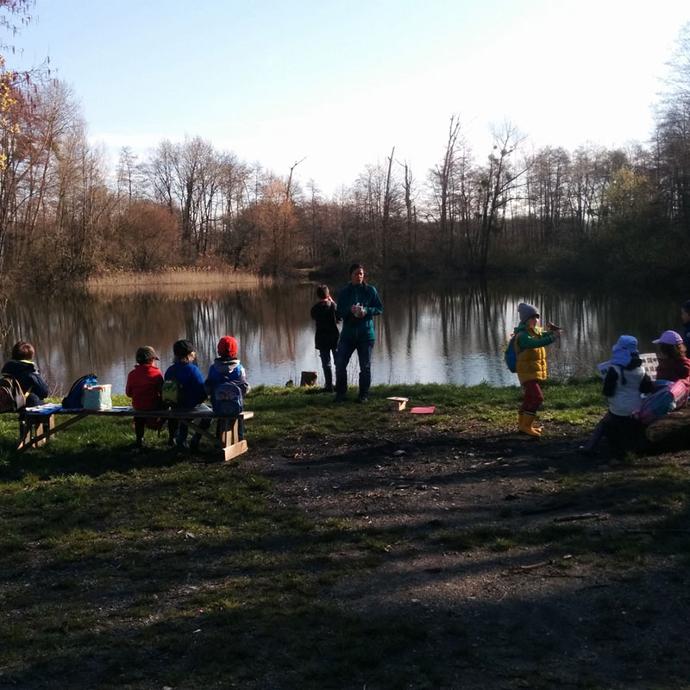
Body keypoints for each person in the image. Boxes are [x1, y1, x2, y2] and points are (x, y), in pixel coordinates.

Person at [582, 335, 654, 458]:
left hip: (617, 411)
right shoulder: (641, 369)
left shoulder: (613, 369)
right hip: (636, 409)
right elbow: (647, 389)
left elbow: (608, 392)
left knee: (605, 423)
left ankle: (590, 447)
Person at [334, 263, 384, 403]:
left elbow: (379, 309)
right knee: (340, 363)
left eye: (361, 273)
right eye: (356, 273)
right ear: (351, 275)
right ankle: (341, 394)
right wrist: (350, 311)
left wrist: (366, 311)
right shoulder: (344, 292)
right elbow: (339, 313)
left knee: (365, 366)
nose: (359, 276)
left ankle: (363, 395)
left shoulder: (370, 290)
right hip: (348, 335)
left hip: (366, 335)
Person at [513, 302, 561, 436]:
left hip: (532, 372)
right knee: (537, 397)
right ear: (526, 320)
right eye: (533, 318)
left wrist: (553, 331)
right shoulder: (522, 335)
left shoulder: (534, 331)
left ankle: (523, 426)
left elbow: (543, 335)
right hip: (526, 373)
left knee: (529, 397)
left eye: (537, 317)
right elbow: (535, 343)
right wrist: (552, 337)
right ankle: (526, 426)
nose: (536, 320)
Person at [164, 339, 210, 450]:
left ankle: (181, 441)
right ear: (190, 354)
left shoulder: (170, 370)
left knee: (185, 417)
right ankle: (195, 439)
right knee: (209, 415)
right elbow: (202, 391)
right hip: (190, 408)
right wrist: (202, 399)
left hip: (174, 407)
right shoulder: (193, 370)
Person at [206, 335, 251, 439]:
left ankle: (219, 440)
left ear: (219, 351)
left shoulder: (213, 368)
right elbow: (244, 388)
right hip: (236, 407)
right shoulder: (239, 369)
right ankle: (239, 439)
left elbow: (207, 388)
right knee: (238, 419)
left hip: (217, 407)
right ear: (235, 351)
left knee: (220, 417)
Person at [125, 346, 164, 449]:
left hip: (138, 407)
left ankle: (139, 439)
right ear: (151, 360)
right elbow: (162, 392)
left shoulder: (132, 374)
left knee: (139, 415)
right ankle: (169, 435)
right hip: (153, 406)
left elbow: (128, 393)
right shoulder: (157, 373)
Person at [1, 341, 50, 407]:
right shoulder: (30, 372)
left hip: (8, 403)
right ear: (31, 356)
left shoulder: (6, 370)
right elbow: (44, 392)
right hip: (28, 403)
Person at [310, 284, 340, 392]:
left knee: (326, 363)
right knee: (338, 362)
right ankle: (340, 384)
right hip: (334, 337)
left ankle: (328, 386)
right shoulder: (333, 306)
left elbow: (313, 317)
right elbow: (339, 316)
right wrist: (332, 302)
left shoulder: (315, 309)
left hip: (322, 338)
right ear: (328, 294)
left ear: (318, 296)